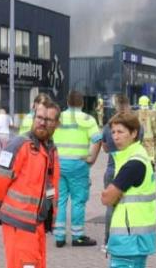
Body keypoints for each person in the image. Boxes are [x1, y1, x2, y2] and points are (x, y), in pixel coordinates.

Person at [0, 100, 62, 268]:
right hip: (19, 224)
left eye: (48, 120)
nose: (42, 122)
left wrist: (49, 211)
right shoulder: (19, 145)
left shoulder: (50, 149)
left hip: (38, 224)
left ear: (56, 124)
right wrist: (7, 209)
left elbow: (50, 186)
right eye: (39, 117)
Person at [101, 111, 156, 268]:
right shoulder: (136, 156)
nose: (115, 137)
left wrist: (110, 194)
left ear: (134, 133)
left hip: (128, 239)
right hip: (135, 239)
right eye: (113, 132)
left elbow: (107, 198)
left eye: (120, 132)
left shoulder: (133, 163)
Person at [53, 91, 100, 248]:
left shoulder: (58, 118)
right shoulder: (88, 119)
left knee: (60, 201)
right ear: (82, 103)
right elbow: (97, 140)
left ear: (67, 102)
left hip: (59, 164)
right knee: (78, 201)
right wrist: (92, 159)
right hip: (78, 165)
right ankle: (77, 236)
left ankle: (59, 236)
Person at [97, 94, 137, 248]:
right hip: (130, 169)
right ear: (128, 104)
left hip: (111, 168)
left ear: (115, 106)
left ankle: (108, 241)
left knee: (110, 206)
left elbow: (105, 148)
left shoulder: (109, 126)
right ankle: (126, 239)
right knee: (130, 206)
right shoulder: (134, 126)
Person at [135, 96, 156, 161]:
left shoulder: (136, 113)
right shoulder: (152, 113)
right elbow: (154, 125)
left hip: (139, 137)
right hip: (149, 137)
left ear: (139, 103)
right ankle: (151, 163)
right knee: (150, 153)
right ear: (148, 103)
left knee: (140, 152)